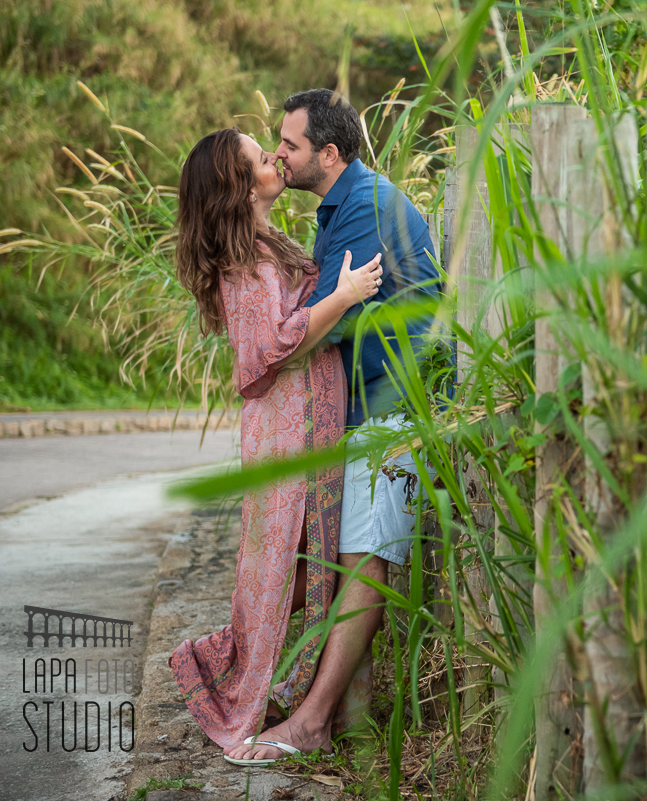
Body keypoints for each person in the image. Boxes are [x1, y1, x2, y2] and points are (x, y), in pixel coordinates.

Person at [225, 89, 442, 764]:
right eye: (274, 145)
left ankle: (314, 720)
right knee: (333, 558)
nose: (280, 154)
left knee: (361, 560)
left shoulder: (364, 209)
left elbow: (308, 330)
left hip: (394, 403)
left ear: (328, 152)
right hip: (366, 405)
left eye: (287, 144)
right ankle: (324, 704)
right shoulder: (336, 210)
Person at [168, 127, 383, 763]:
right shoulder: (247, 263)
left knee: (300, 562)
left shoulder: (270, 246)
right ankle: (233, 680)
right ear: (240, 186)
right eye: (262, 158)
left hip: (305, 425)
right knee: (280, 565)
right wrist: (344, 297)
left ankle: (310, 692)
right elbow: (266, 353)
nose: (274, 159)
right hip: (287, 432)